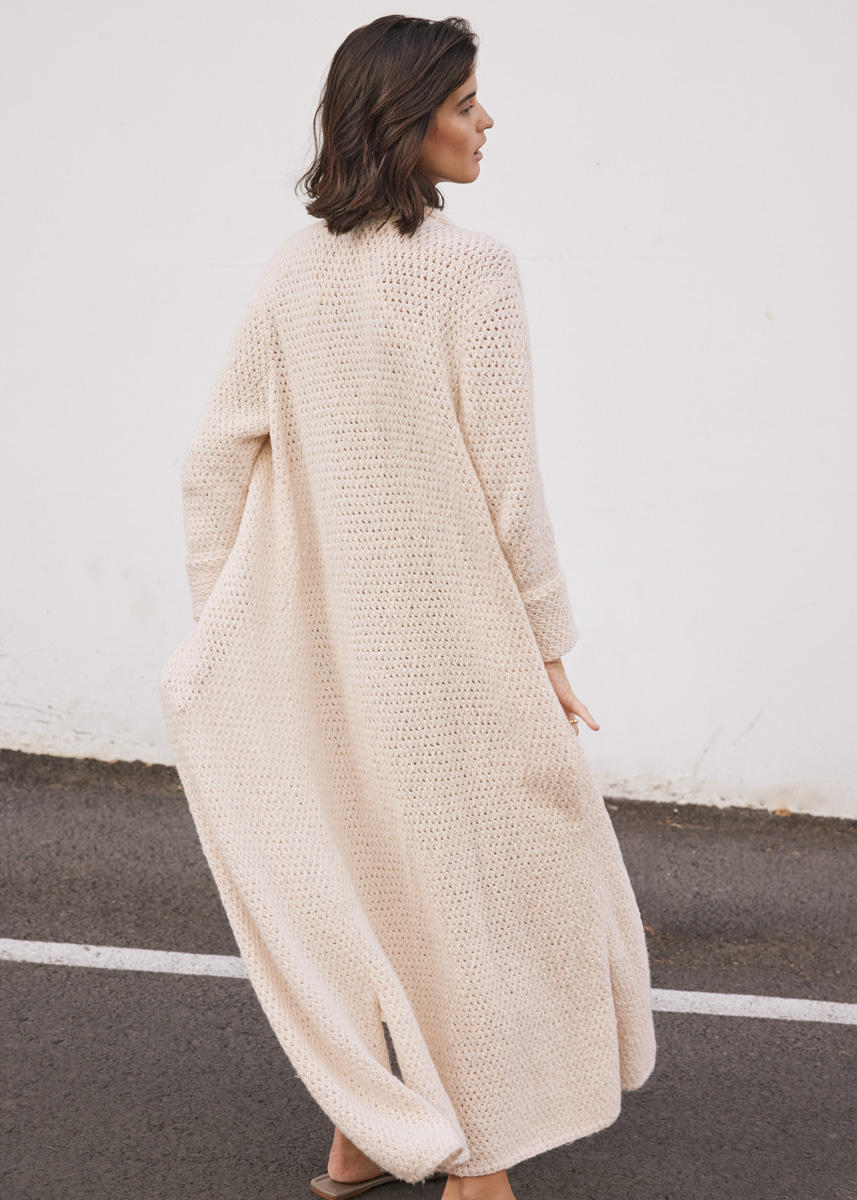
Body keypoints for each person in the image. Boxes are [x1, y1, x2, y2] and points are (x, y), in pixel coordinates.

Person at [160, 14, 657, 1200]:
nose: (487, 122)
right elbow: (508, 483)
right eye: (465, 103)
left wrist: (235, 628)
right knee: (481, 888)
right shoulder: (469, 271)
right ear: (405, 120)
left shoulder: (291, 273)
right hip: (458, 649)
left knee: (373, 878)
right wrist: (548, 644)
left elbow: (211, 460)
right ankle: (477, 1162)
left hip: (334, 663)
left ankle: (362, 1134)